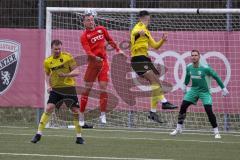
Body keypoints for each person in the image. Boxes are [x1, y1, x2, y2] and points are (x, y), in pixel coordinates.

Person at [31, 39, 84, 144]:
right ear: (52, 48)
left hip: (69, 88)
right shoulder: (47, 61)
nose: (58, 51)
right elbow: (46, 74)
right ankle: (38, 134)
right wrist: (49, 86)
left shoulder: (67, 57)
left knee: (76, 111)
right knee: (49, 108)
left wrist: (66, 75)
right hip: (56, 89)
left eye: (59, 48)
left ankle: (79, 137)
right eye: (56, 49)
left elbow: (77, 71)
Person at [130, 10, 178, 123]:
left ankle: (153, 112)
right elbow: (135, 33)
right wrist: (138, 33)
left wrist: (162, 40)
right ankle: (164, 102)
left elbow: (155, 46)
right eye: (146, 19)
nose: (148, 21)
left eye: (149, 19)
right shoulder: (137, 27)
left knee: (156, 83)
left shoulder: (146, 31)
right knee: (154, 80)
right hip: (138, 59)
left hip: (145, 59)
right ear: (140, 19)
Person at [170, 49, 229, 139]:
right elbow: (187, 76)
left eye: (195, 55)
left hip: (205, 91)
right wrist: (184, 86)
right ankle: (178, 128)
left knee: (208, 110)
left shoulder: (206, 68)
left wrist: (223, 88)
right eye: (192, 55)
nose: (193, 57)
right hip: (194, 90)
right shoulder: (189, 66)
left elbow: (216, 77)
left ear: (199, 57)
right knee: (183, 106)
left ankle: (216, 132)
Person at [79, 12, 124, 126]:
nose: (91, 21)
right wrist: (95, 57)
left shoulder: (101, 29)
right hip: (93, 64)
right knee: (86, 90)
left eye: (92, 19)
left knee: (103, 88)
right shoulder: (84, 36)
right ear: (84, 23)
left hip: (103, 63)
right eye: (88, 20)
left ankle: (103, 114)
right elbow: (88, 51)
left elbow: (110, 40)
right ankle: (81, 116)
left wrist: (118, 50)